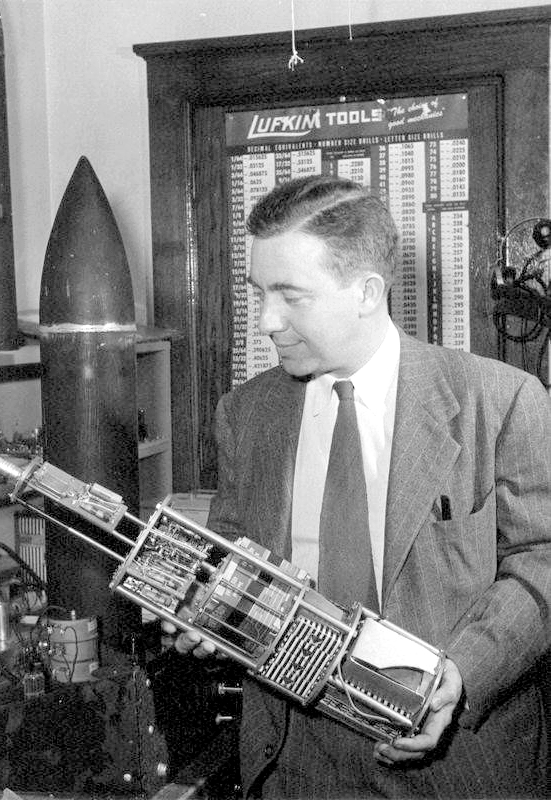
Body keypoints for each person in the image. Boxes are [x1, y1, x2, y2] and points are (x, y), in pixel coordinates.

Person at [167, 175, 551, 798]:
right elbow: (233, 557)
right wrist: (207, 608)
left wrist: (460, 672)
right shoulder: (246, 413)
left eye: (291, 296)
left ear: (367, 291)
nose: (267, 321)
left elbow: (542, 561)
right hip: (293, 763)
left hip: (458, 766)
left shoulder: (503, 401)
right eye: (260, 293)